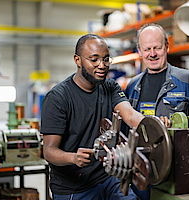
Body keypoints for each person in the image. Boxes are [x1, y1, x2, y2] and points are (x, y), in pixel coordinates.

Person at [40, 34, 162, 200]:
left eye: (106, 59)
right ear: (77, 60)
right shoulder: (58, 98)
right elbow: (49, 151)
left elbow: (131, 115)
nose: (102, 65)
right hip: (74, 187)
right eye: (94, 59)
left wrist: (158, 128)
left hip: (107, 176)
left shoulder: (109, 86)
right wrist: (73, 157)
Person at [124, 23, 189, 200]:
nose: (152, 54)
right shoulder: (133, 86)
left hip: (178, 173)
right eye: (147, 49)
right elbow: (126, 130)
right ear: (139, 51)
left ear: (167, 47)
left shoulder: (188, 81)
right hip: (141, 172)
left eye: (157, 47)